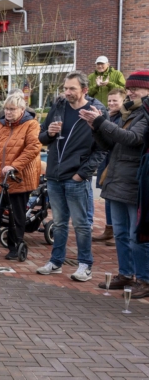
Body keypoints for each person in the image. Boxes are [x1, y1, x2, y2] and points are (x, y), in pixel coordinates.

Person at [36, 71, 107, 281]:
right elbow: (42, 137)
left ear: (84, 90)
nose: (67, 92)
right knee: (58, 222)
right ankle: (56, 262)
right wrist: (48, 133)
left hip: (76, 177)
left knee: (82, 224)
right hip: (55, 175)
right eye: (65, 88)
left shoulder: (95, 112)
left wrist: (82, 174)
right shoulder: (58, 106)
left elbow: (103, 148)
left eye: (72, 89)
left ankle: (85, 265)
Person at [86, 74, 148, 297]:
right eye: (129, 88)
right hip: (116, 180)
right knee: (121, 233)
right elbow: (111, 145)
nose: (130, 92)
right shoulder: (127, 113)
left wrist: (102, 122)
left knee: (137, 235)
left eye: (135, 89)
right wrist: (96, 128)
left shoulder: (145, 115)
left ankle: (144, 279)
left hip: (135, 183)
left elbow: (132, 139)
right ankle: (125, 275)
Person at [0, 94, 42, 259]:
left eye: (12, 109)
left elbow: (33, 147)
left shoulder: (31, 125)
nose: (8, 112)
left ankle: (15, 246)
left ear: (22, 110)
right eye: (6, 109)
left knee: (16, 215)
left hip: (19, 176)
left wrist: (15, 166)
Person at [93, 89, 125, 244]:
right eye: (110, 101)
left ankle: (118, 231)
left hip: (117, 161)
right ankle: (109, 229)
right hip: (106, 160)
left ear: (123, 101)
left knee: (117, 197)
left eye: (115, 101)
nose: (111, 104)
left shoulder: (124, 118)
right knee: (106, 196)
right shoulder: (106, 116)